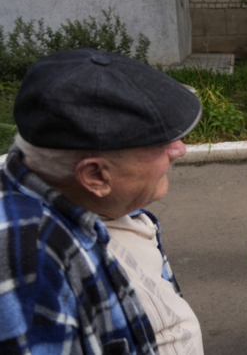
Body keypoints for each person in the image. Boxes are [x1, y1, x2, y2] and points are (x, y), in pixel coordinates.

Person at [0, 48, 204, 354]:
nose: (179, 150)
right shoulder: (29, 270)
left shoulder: (92, 199)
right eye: (160, 143)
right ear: (95, 175)